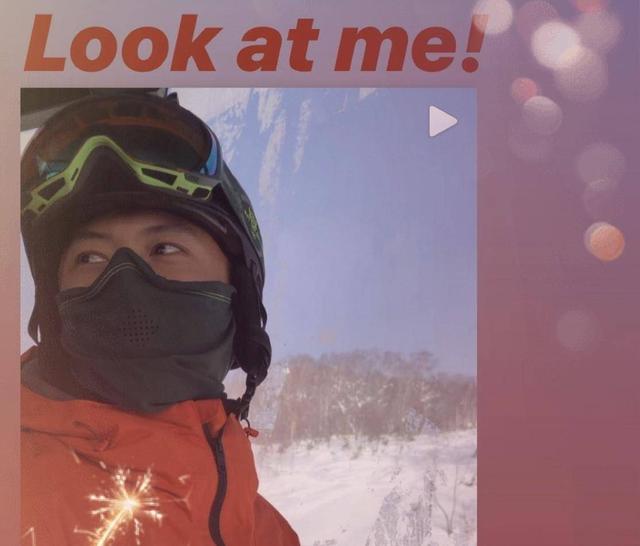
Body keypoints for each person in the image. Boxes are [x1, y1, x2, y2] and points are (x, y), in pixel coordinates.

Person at [20, 91, 300, 545]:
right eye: (90, 257)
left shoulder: (262, 529)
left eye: (165, 248)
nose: (125, 281)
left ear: (238, 293)